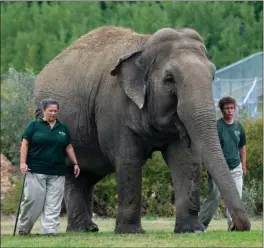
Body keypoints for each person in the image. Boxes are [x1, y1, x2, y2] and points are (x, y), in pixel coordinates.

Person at [18, 98, 80, 236]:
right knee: (33, 201)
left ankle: (49, 232)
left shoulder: (62, 128)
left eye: (55, 111)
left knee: (53, 204)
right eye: (50, 110)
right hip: (35, 170)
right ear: (44, 111)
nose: (53, 113)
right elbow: (25, 144)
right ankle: (24, 228)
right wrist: (22, 163)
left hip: (57, 172)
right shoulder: (34, 125)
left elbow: (68, 146)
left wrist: (75, 163)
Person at [199, 96, 247, 231]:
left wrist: (243, 165)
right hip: (218, 168)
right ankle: (201, 224)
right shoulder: (216, 126)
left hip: (235, 167)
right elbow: (209, 147)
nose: (230, 111)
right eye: (227, 108)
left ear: (235, 109)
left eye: (232, 108)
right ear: (222, 110)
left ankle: (234, 225)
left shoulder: (239, 127)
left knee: (236, 197)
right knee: (214, 196)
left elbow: (242, 147)